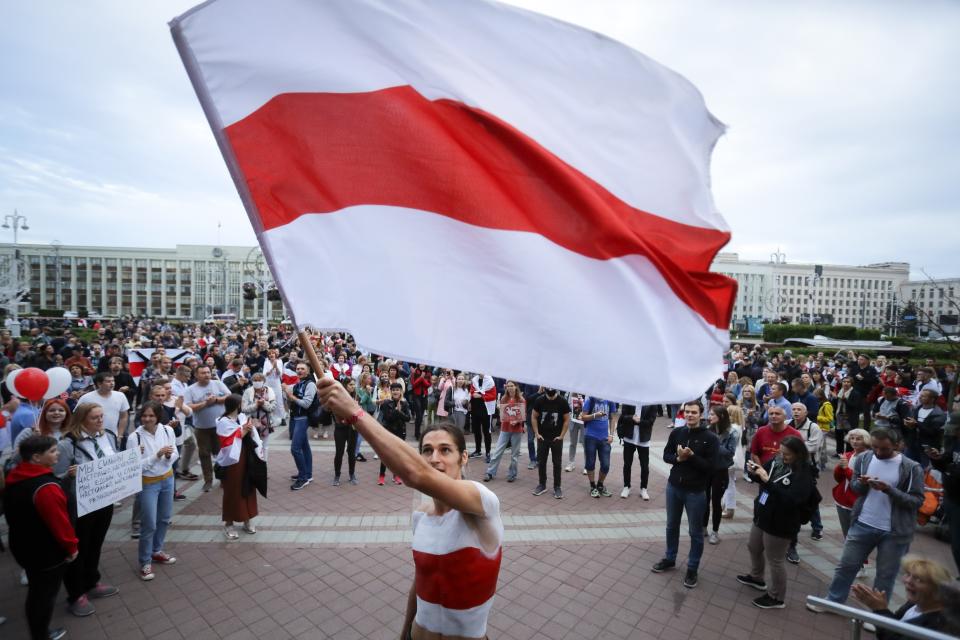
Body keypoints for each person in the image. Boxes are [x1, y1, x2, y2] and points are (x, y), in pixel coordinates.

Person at [314, 375, 503, 640]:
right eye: (427, 450)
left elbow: (416, 474)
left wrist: (355, 412)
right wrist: (404, 632)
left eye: (445, 450)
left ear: (463, 457)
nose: (434, 458)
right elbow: (423, 580)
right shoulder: (421, 516)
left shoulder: (482, 502)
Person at [808, 427, 924, 613]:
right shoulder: (865, 458)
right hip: (863, 523)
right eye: (875, 447)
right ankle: (833, 601)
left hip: (894, 531)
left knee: (885, 575)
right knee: (846, 566)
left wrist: (889, 490)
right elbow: (855, 487)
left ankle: (878, 614)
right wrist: (861, 484)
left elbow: (917, 501)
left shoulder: (911, 467)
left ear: (897, 445)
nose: (878, 453)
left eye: (884, 449)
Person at [4, 435, 77, 640]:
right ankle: (41, 634)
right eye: (53, 451)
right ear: (36, 457)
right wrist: (71, 548)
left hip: (22, 544)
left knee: (37, 591)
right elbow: (59, 524)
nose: (58, 453)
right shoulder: (46, 487)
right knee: (43, 596)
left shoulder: (16, 475)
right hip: (46, 553)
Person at [54, 404, 120, 617]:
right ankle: (75, 594)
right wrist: (68, 475)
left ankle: (92, 582)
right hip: (80, 506)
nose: (100, 420)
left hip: (104, 499)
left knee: (95, 543)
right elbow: (54, 478)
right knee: (78, 548)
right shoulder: (67, 444)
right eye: (94, 418)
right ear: (81, 419)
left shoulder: (107, 436)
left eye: (101, 416)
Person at [737, 435, 818, 609]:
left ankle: (777, 597)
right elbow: (764, 478)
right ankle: (756, 577)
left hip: (782, 522)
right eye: (781, 452)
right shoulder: (777, 462)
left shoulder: (803, 473)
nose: (782, 456)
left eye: (787, 454)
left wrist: (767, 481)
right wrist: (755, 472)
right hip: (764, 514)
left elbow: (791, 500)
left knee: (775, 559)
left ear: (798, 454)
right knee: (753, 546)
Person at [652, 401, 719, 589]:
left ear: (701, 414)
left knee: (695, 532)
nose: (690, 415)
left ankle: (692, 568)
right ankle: (670, 558)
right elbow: (666, 455)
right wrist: (678, 458)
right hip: (674, 487)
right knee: (671, 526)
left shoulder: (710, 438)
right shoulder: (677, 433)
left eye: (694, 412)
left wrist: (692, 457)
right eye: (687, 412)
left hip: (696, 492)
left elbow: (711, 468)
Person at [126, 401, 178, 581]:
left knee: (164, 519)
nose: (147, 419)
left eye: (151, 416)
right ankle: (145, 561)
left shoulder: (167, 430)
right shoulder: (135, 437)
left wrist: (170, 455)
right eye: (144, 416)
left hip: (168, 479)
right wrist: (156, 456)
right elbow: (134, 467)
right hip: (148, 483)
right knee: (149, 523)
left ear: (158, 417)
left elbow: (175, 452)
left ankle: (157, 550)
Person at [851, 555, 951, 640]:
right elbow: (897, 624)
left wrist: (880, 610)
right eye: (908, 574)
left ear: (937, 589)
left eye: (919, 579)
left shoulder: (937, 625)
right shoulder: (914, 603)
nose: (908, 581)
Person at [215, 394, 265, 539]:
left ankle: (247, 520)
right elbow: (227, 441)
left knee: (248, 486)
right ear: (235, 405)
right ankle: (228, 524)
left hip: (247, 456)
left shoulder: (242, 417)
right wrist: (244, 430)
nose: (242, 405)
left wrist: (250, 428)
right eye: (241, 403)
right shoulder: (223, 421)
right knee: (233, 489)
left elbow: (249, 433)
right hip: (232, 461)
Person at [183, 365, 229, 492]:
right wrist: (205, 403)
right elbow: (188, 407)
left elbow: (229, 397)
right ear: (196, 375)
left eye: (208, 372)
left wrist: (217, 400)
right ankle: (208, 480)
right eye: (203, 373)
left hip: (220, 427)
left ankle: (223, 478)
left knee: (222, 453)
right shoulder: (190, 389)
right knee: (204, 454)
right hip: (202, 428)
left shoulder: (218, 384)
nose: (207, 375)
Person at [928, 413, 960, 575]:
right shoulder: (954, 442)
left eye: (955, 429)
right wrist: (937, 459)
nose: (952, 433)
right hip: (952, 498)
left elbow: (954, 469)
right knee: (956, 544)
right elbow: (946, 462)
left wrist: (949, 469)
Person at [704, 405, 738, 545]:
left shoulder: (731, 432)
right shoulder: (707, 430)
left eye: (712, 414)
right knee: (704, 500)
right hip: (707, 470)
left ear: (721, 417)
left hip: (721, 470)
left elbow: (730, 453)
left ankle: (715, 532)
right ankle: (703, 527)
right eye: (710, 414)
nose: (709, 417)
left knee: (716, 502)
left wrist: (715, 443)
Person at [832, 429, 872, 538]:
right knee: (847, 535)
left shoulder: (869, 458)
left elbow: (860, 483)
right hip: (841, 501)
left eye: (858, 439)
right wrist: (839, 467)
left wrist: (846, 469)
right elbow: (838, 478)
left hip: (856, 503)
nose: (854, 441)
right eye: (852, 438)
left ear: (866, 441)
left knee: (856, 537)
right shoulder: (849, 455)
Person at [531, 387, 570, 499]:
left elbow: (567, 419)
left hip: (556, 438)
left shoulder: (562, 401)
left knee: (557, 463)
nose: (550, 389)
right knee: (541, 462)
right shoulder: (539, 400)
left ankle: (557, 487)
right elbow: (534, 416)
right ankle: (542, 484)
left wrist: (561, 436)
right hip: (542, 437)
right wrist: (537, 433)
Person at [484, 381, 525, 483]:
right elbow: (502, 416)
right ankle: (490, 472)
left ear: (516, 387)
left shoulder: (521, 399)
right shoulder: (503, 398)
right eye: (508, 386)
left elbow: (523, 416)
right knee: (498, 451)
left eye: (512, 386)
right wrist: (499, 409)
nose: (510, 388)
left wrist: (517, 421)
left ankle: (512, 474)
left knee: (514, 454)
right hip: (505, 428)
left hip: (517, 430)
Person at [284, 362, 317, 491]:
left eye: (302, 369)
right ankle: (307, 475)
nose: (299, 370)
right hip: (296, 418)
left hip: (303, 419)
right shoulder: (299, 383)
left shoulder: (310, 384)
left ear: (308, 371)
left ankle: (303, 477)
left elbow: (306, 404)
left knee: (295, 448)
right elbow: (292, 401)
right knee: (304, 447)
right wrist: (288, 395)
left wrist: (292, 397)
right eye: (297, 369)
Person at [618, 404, 656, 500]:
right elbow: (623, 416)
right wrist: (632, 418)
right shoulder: (630, 399)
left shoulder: (651, 402)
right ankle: (626, 487)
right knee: (627, 464)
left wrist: (639, 422)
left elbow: (651, 421)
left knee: (644, 466)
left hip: (643, 439)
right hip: (629, 437)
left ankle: (644, 488)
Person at [377, 382, 412, 486]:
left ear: (401, 391)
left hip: (400, 432)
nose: (396, 392)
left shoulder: (404, 403)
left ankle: (396, 475)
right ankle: (382, 476)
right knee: (385, 455)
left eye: (397, 390)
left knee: (398, 455)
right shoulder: (386, 403)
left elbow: (408, 418)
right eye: (394, 390)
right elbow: (387, 418)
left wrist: (400, 412)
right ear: (390, 391)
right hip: (388, 432)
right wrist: (396, 411)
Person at [77, 372, 130, 438]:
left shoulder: (120, 396)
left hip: (113, 437)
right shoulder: (86, 398)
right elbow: (77, 418)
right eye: (108, 381)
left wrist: (120, 435)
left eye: (113, 381)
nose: (112, 383)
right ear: (99, 384)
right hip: (91, 437)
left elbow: (124, 417)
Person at [581, 396, 615, 498]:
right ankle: (593, 486)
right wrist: (595, 415)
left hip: (604, 438)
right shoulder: (590, 400)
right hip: (590, 436)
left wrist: (611, 435)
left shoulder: (609, 400)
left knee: (606, 465)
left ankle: (600, 485)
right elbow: (583, 417)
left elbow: (612, 418)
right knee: (590, 463)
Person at [903, 389, 946, 466]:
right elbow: (912, 424)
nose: (920, 397)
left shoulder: (939, 414)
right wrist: (908, 424)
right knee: (906, 466)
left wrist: (916, 425)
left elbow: (933, 432)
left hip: (927, 448)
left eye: (923, 396)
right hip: (912, 444)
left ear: (932, 399)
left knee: (924, 470)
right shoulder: (916, 409)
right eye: (920, 395)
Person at [241, 372, 278, 457]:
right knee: (252, 446)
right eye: (255, 380)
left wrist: (264, 403)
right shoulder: (248, 392)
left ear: (264, 381)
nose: (257, 382)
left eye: (259, 380)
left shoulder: (270, 391)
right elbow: (244, 409)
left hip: (265, 423)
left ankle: (263, 464)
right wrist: (256, 405)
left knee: (264, 446)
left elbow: (272, 407)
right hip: (251, 423)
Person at [332, 378, 359, 486]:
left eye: (354, 384)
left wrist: (356, 406)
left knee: (351, 453)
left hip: (352, 428)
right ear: (345, 385)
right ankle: (337, 475)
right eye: (350, 384)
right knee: (339, 453)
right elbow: (335, 411)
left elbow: (360, 413)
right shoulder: (338, 398)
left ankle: (352, 474)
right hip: (340, 428)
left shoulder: (357, 397)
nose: (353, 386)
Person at [721, 405, 746, 518]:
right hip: (734, 458)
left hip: (731, 458)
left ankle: (729, 507)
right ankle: (726, 505)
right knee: (728, 482)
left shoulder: (733, 428)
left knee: (729, 483)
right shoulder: (739, 426)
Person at [469, 373, 496, 462]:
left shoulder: (490, 381)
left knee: (486, 432)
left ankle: (488, 452)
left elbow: (493, 395)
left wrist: (481, 396)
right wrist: (473, 394)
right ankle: (478, 450)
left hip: (486, 409)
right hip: (475, 408)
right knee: (476, 431)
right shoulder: (474, 380)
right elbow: (472, 391)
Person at [564, 393, 584, 473]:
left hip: (584, 420)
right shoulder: (571, 391)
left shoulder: (588, 391)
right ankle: (571, 462)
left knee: (585, 443)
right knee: (572, 442)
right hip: (573, 419)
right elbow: (567, 405)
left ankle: (587, 465)